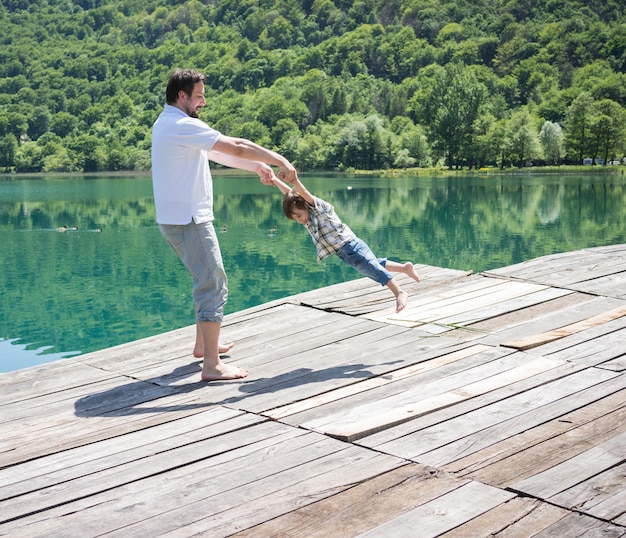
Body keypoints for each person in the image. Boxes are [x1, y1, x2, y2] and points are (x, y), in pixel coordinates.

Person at [152, 68, 298, 381]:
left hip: (179, 218)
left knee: (203, 279)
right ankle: (212, 366)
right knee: (213, 282)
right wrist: (278, 159)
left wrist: (255, 165)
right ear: (182, 96)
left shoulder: (171, 123)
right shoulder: (180, 124)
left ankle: (203, 349)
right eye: (200, 95)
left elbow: (221, 152)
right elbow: (236, 143)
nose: (203, 101)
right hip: (189, 220)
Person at [270, 175, 420, 313]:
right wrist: (275, 180)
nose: (299, 220)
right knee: (371, 265)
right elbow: (290, 194)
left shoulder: (319, 210)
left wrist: (294, 180)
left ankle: (399, 292)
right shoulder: (308, 220)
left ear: (304, 204)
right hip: (344, 253)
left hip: (351, 246)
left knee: (372, 267)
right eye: (295, 218)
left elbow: (302, 192)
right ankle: (405, 268)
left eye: (298, 215)